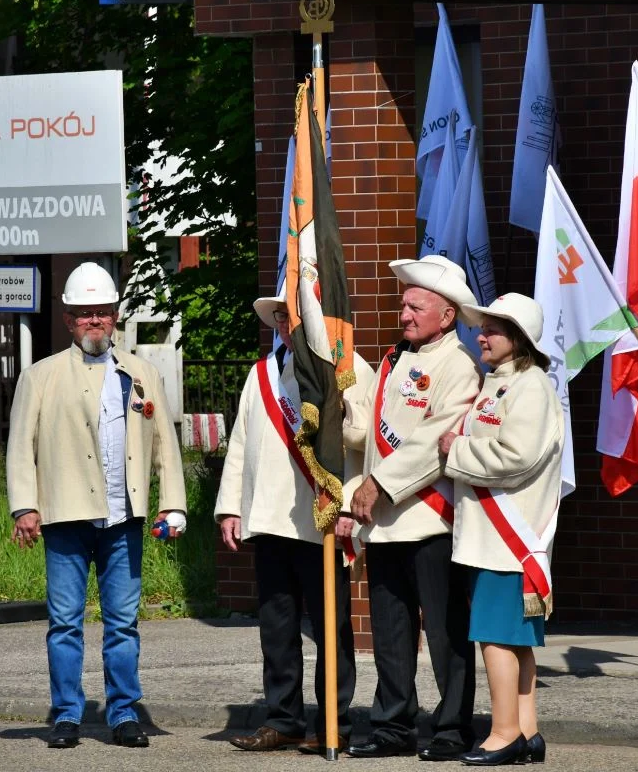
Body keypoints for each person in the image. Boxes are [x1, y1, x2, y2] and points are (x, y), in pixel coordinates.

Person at [7, 261, 186, 750]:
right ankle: (66, 715)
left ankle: (123, 713)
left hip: (123, 518)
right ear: (68, 320)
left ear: (114, 317)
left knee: (123, 623)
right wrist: (24, 505)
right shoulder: (40, 376)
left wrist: (174, 505)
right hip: (65, 516)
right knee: (65, 623)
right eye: (84, 314)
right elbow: (20, 445)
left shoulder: (141, 372)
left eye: (102, 313)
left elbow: (164, 445)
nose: (93, 322)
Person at [339, 254, 479, 761]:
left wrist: (377, 485)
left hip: (430, 518)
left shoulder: (460, 366)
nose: (404, 315)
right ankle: (393, 725)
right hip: (386, 522)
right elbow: (367, 434)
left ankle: (451, 726)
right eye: (403, 305)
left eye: (415, 306)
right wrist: (341, 408)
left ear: (446, 315)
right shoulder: (395, 358)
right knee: (391, 632)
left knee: (445, 633)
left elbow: (432, 444)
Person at [215, 289, 365, 754]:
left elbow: (362, 439)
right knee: (276, 628)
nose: (285, 324)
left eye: (293, 315)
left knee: (330, 629)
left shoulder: (346, 364)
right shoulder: (261, 373)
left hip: (319, 519)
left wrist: (349, 509)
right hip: (270, 516)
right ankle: (283, 719)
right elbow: (241, 440)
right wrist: (231, 507)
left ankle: (334, 720)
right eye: (279, 316)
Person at [438, 293, 563, 766]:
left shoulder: (531, 386)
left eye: (492, 329)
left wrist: (456, 450)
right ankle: (527, 731)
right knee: (513, 637)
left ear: (519, 339)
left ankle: (505, 732)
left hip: (508, 538)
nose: (480, 335)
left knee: (495, 636)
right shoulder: (501, 383)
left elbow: (516, 458)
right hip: (489, 535)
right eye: (482, 327)